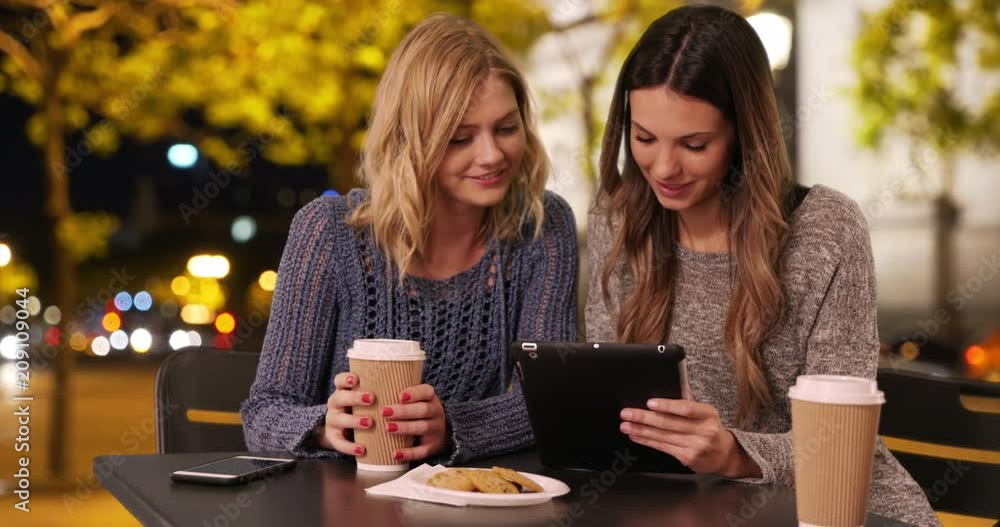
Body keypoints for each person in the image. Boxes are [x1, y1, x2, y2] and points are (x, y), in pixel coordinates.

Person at [585, 6, 938, 526]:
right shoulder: (619, 223)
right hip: (684, 509)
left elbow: (842, 438)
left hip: (836, 508)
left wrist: (734, 453)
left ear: (744, 135)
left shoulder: (826, 229)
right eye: (644, 138)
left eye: (695, 144)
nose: (663, 168)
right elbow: (607, 411)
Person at [241, 13, 578, 465]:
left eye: (506, 128)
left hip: (478, 505)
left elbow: (553, 401)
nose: (492, 155)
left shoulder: (542, 226)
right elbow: (264, 413)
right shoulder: (329, 231)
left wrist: (453, 428)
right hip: (345, 504)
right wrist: (325, 425)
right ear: (410, 141)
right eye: (460, 138)